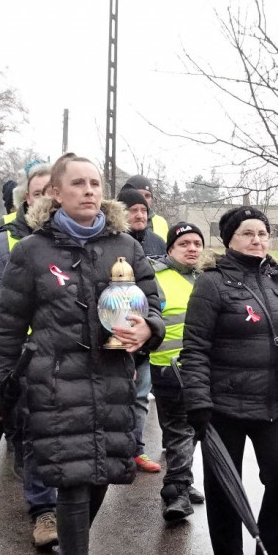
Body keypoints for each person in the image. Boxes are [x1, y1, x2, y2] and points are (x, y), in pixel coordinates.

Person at [0, 153, 164, 555]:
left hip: (113, 380)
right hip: (55, 383)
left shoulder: (125, 245)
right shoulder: (32, 251)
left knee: (102, 477)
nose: (88, 190)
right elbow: (7, 323)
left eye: (94, 182)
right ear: (54, 194)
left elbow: (153, 305)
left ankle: (73, 550)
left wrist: (148, 330)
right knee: (73, 482)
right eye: (77, 183)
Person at [181, 206, 278, 555]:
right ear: (230, 239)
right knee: (224, 484)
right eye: (248, 233)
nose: (257, 240)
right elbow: (195, 348)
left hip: (275, 402)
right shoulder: (212, 283)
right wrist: (198, 401)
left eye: (262, 233)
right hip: (224, 404)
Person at [0, 164, 60, 550]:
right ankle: (43, 509)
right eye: (40, 192)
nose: (48, 199)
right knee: (34, 430)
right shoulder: (6, 242)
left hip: (69, 358)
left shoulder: (82, 240)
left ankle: (59, 498)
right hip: (24, 359)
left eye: (53, 192)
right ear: (28, 198)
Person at [150, 222, 207, 521]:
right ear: (170, 248)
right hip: (169, 369)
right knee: (179, 430)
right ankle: (176, 491)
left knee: (193, 429)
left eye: (197, 243)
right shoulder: (156, 278)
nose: (192, 248)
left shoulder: (206, 279)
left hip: (202, 369)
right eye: (184, 243)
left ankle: (182, 478)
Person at [118, 187, 166, 474]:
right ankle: (112, 453)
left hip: (146, 334)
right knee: (112, 398)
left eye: (143, 210)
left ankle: (135, 451)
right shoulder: (111, 242)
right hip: (115, 335)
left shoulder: (157, 242)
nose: (139, 214)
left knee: (139, 398)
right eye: (133, 209)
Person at [122, 174, 168, 240]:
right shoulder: (115, 224)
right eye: (139, 194)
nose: (143, 199)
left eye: (147, 196)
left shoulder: (161, 222)